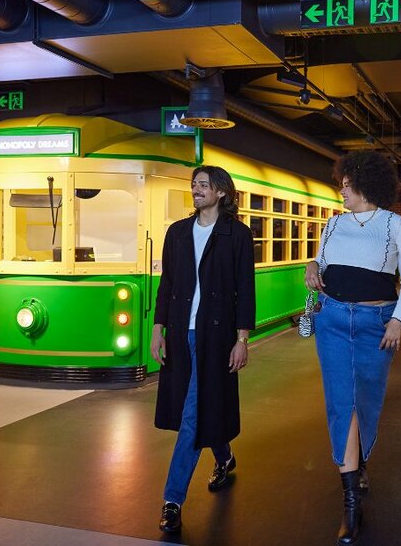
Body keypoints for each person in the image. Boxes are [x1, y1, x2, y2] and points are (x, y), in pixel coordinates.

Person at [304, 150, 401, 545]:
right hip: (332, 321)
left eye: (347, 184)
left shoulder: (394, 225)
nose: (342, 190)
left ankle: (359, 460)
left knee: (367, 401)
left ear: (366, 185)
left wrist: (398, 320)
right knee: (342, 403)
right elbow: (321, 259)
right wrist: (312, 267)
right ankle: (351, 502)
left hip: (376, 325)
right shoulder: (332, 225)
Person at [150, 165, 256, 534]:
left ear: (221, 192)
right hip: (182, 335)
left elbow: (246, 289)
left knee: (192, 415)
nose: (196, 189)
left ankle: (172, 499)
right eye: (194, 184)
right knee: (202, 404)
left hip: (217, 336)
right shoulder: (177, 233)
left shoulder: (237, 234)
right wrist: (158, 330)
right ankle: (224, 457)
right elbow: (168, 285)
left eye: (203, 185)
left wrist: (242, 339)